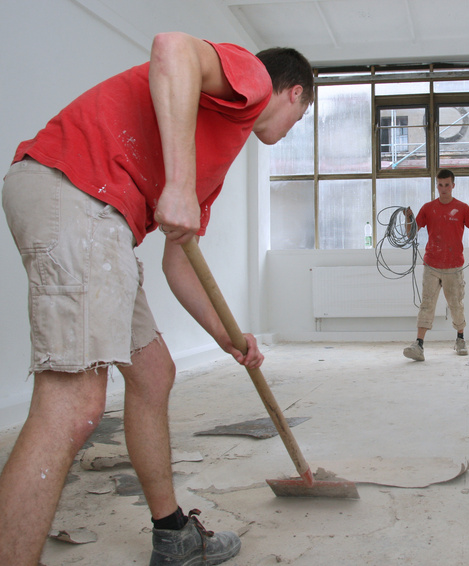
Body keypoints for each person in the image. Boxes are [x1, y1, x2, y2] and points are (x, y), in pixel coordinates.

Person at [0, 32, 313, 566]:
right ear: (295, 95)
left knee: (154, 373)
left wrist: (227, 338)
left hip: (102, 218)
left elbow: (178, 261)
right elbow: (170, 48)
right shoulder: (254, 80)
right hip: (78, 192)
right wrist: (179, 185)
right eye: (300, 118)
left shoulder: (218, 152)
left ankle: (172, 534)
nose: (291, 130)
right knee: (73, 406)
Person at [403, 169, 469, 361]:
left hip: (454, 265)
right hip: (431, 264)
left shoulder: (462, 208)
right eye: (440, 185)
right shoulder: (428, 208)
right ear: (436, 186)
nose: (444, 188)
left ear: (453, 185)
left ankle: (460, 339)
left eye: (447, 185)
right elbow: (411, 234)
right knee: (427, 304)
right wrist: (408, 219)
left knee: (456, 303)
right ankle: (419, 345)